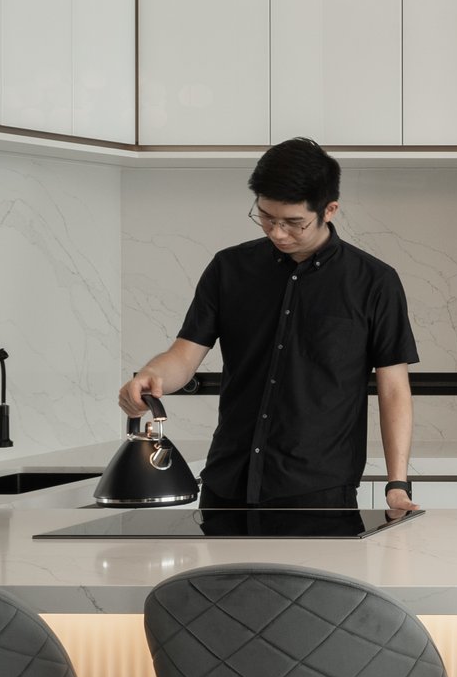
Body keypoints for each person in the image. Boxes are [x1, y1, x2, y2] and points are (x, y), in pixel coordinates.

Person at [118, 137, 420, 512]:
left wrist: (397, 483)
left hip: (320, 492)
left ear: (330, 210)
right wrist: (150, 376)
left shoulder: (374, 281)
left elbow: (393, 390)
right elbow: (183, 355)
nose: (277, 232)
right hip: (227, 482)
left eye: (294, 223)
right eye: (266, 217)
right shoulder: (229, 269)